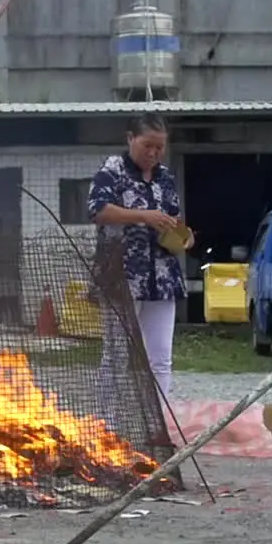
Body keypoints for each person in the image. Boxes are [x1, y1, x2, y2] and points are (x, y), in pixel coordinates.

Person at [88, 112, 193, 402]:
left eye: (160, 147)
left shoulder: (165, 177)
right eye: (148, 145)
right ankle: (105, 424)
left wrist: (183, 235)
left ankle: (160, 426)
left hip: (162, 277)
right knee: (116, 355)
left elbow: (173, 217)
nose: (154, 153)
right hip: (121, 275)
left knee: (160, 357)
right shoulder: (113, 169)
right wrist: (143, 217)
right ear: (130, 138)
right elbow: (98, 210)